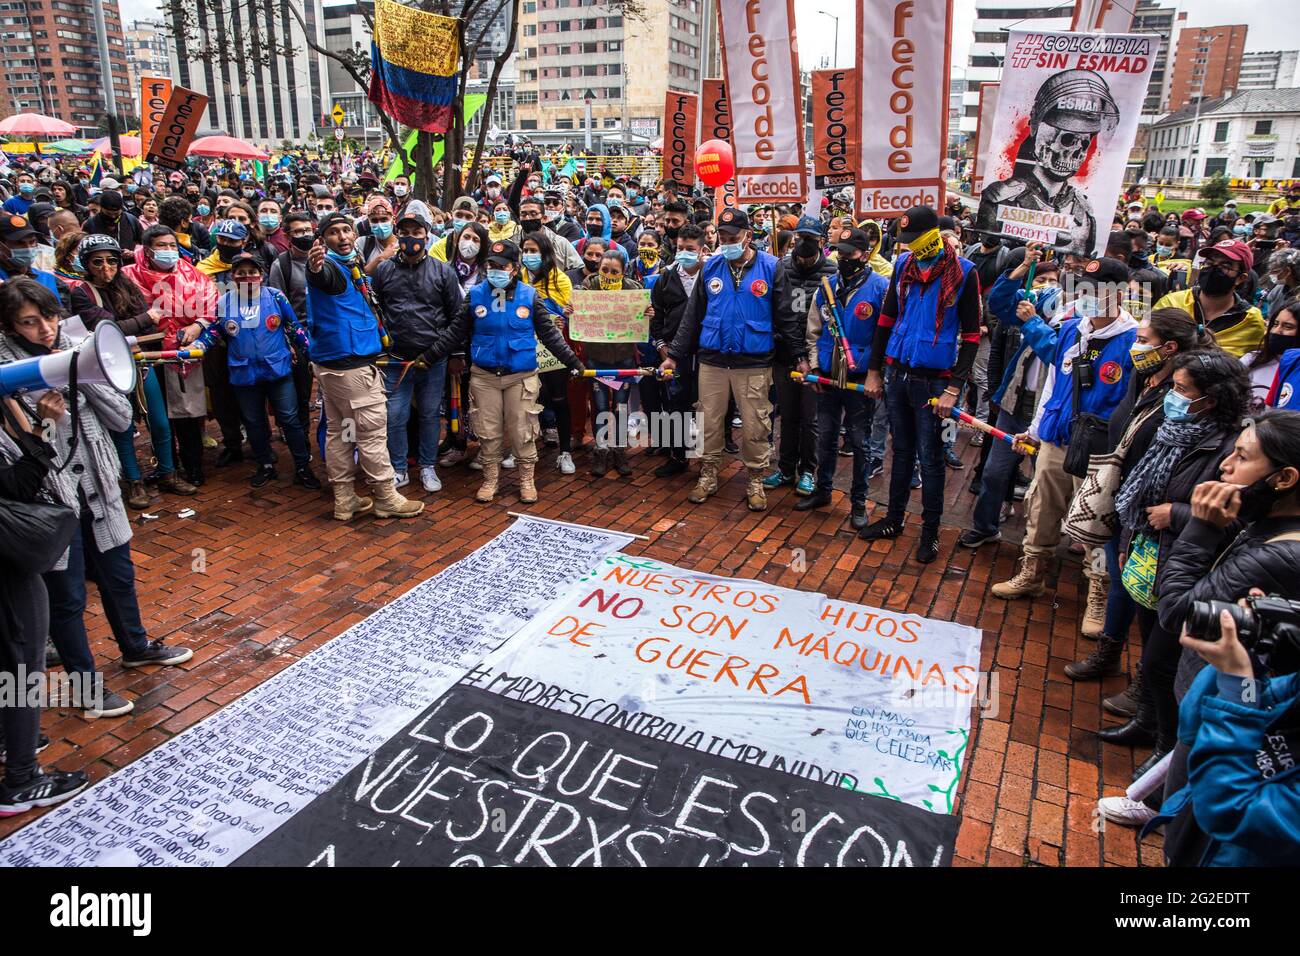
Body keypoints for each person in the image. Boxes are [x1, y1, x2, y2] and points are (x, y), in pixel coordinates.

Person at [0, 278, 193, 721]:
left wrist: (80, 378)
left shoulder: (75, 343)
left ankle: (135, 646)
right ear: (11, 326)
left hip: (100, 487)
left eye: (48, 317)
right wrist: (45, 423)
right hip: (51, 497)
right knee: (67, 599)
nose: (45, 329)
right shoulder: (5, 371)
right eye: (29, 323)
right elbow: (19, 452)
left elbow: (122, 417)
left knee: (119, 576)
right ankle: (85, 686)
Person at [1112, 410, 1300, 849]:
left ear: (1284, 478)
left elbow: (1177, 609)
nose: (1225, 466)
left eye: (1242, 457)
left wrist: (1200, 527)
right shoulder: (1268, 522)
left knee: (1194, 823)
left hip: (1228, 705)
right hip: (1216, 699)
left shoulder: (1281, 555)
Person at [1096, 350, 1249, 778]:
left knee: (1164, 661)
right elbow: (1140, 491)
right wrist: (1130, 539)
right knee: (1149, 651)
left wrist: (1177, 514)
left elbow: (1235, 513)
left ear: (1212, 399)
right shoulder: (1173, 428)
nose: (1173, 397)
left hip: (1187, 564)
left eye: (1183, 391)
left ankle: (1166, 748)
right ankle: (1147, 723)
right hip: (1151, 551)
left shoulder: (1228, 448)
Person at [992, 257, 1138, 625]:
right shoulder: (1073, 329)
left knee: (1096, 522)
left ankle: (1097, 595)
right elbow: (1054, 385)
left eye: (1097, 290)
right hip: (1058, 437)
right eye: (1083, 289)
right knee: (1041, 506)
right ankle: (1032, 573)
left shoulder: (1135, 341)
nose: (1087, 296)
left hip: (1101, 448)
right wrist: (1038, 429)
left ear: (1119, 293)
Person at [418, 239, 585, 503]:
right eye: (491, 265)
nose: (495, 270)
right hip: (484, 376)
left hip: (520, 376)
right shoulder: (475, 295)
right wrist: (429, 356)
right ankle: (490, 479)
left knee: (523, 431)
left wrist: (574, 363)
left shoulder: (529, 296)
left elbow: (551, 336)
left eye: (501, 266)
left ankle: (526, 479)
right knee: (488, 431)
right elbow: (455, 333)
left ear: (515, 268)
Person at [860, 204, 983, 563]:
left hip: (934, 383)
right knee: (901, 451)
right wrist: (874, 370)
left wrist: (954, 389)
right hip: (898, 373)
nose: (910, 247)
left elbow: (972, 336)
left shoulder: (964, 272)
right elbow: (886, 318)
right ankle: (893, 519)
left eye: (916, 241)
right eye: (906, 242)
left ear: (935, 236)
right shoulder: (903, 266)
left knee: (930, 459)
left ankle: (930, 532)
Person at [662, 207, 804, 511]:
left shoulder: (771, 267)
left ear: (748, 236)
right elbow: (692, 316)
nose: (726, 243)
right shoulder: (711, 267)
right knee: (708, 421)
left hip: (753, 362)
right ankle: (709, 473)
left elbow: (787, 317)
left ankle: (755, 477)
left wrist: (799, 356)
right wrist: (673, 355)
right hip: (712, 360)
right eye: (722, 237)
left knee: (755, 425)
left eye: (732, 237)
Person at [0, 395, 89, 816]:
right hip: (7, 564)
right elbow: (17, 484)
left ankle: (9, 738)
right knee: (23, 666)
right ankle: (21, 779)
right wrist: (45, 427)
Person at [304, 211, 424, 520]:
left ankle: (345, 498)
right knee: (370, 433)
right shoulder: (328, 267)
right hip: (351, 370)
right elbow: (321, 276)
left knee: (342, 432)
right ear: (322, 240)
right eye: (334, 233)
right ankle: (386, 496)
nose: (342, 237)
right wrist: (314, 265)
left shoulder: (349, 265)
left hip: (334, 369)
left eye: (347, 230)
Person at [69, 233, 197, 507]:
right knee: (123, 426)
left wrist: (138, 325)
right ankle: (134, 481)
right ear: (86, 264)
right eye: (98, 262)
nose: (106, 269)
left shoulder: (126, 285)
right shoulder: (82, 293)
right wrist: (143, 320)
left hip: (140, 363)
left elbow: (149, 327)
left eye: (112, 261)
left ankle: (167, 472)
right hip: (108, 369)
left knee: (160, 422)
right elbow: (107, 328)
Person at [184, 253, 321, 490]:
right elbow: (215, 332)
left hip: (278, 370)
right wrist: (198, 345)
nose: (247, 277)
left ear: (262, 275)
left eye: (252, 272)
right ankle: (265, 464)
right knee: (254, 422)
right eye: (241, 272)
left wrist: (313, 355)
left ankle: (302, 466)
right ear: (232, 276)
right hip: (244, 374)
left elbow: (294, 328)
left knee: (289, 418)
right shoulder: (225, 302)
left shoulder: (276, 297)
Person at [960, 245, 1064, 549]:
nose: (1046, 287)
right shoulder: (1037, 304)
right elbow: (998, 302)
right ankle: (985, 526)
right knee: (994, 472)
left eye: (1053, 280)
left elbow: (1057, 354)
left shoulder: (1078, 320)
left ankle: (1037, 546)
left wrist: (1033, 323)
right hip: (1015, 404)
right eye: (1041, 280)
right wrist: (1021, 270)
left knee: (1045, 484)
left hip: (1049, 413)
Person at [795, 227, 889, 529]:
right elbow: (813, 330)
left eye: (849, 253)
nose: (843, 258)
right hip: (828, 375)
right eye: (839, 252)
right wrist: (813, 365)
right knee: (826, 436)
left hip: (861, 379)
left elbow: (884, 336)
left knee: (860, 441)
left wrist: (877, 374)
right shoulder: (826, 286)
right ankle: (823, 490)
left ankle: (859, 501)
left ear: (865, 254)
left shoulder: (881, 289)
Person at [370, 206, 461, 492]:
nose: (411, 238)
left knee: (430, 413)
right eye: (405, 233)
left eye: (417, 233)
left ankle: (428, 465)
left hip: (433, 357)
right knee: (395, 415)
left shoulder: (443, 271)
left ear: (427, 235)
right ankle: (398, 467)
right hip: (395, 359)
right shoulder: (384, 270)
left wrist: (453, 353)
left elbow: (455, 315)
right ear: (398, 235)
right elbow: (377, 311)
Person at [124, 225, 219, 487]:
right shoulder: (128, 277)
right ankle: (167, 466)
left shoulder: (193, 275)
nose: (168, 251)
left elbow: (212, 305)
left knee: (187, 415)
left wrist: (198, 324)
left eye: (171, 246)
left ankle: (193, 467)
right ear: (147, 249)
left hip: (183, 354)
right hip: (145, 355)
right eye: (161, 246)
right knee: (158, 417)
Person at [767, 216, 834, 496]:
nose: (804, 245)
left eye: (811, 238)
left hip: (815, 356)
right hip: (785, 352)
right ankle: (785, 468)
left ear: (821, 241)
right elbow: (777, 310)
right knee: (788, 414)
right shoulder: (781, 266)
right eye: (800, 238)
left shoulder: (832, 271)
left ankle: (808, 470)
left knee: (811, 418)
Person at [649, 224, 706, 478]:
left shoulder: (712, 275)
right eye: (680, 248)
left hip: (706, 353)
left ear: (701, 250)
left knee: (707, 406)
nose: (684, 252)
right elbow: (656, 317)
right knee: (675, 404)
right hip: (673, 354)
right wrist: (662, 347)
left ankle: (708, 458)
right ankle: (677, 456)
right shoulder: (664, 278)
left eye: (690, 249)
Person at [521, 231, 580, 475]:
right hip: (525, 347)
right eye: (525, 250)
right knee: (525, 401)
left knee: (559, 399)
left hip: (554, 350)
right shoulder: (517, 278)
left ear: (545, 254)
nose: (528, 255)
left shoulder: (562, 281)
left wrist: (564, 317)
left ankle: (565, 452)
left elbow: (570, 317)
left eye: (534, 251)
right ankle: (522, 450)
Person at [579, 250, 642, 478]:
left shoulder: (633, 290)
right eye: (604, 270)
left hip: (623, 357)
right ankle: (601, 451)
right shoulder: (588, 288)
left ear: (623, 272)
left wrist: (647, 313)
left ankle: (619, 450)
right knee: (601, 406)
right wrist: (571, 311)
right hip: (597, 357)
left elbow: (641, 319)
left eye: (614, 272)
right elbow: (577, 312)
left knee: (621, 408)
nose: (608, 275)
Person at [1152, 239, 1265, 358]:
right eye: (1209, 263)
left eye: (1225, 266)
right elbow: (1146, 344)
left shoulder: (1251, 322)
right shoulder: (1172, 302)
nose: (1213, 269)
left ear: (1241, 278)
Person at [1243, 299, 1299, 411]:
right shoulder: (1252, 359)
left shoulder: (1295, 371)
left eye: (1288, 327)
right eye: (1275, 324)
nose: (1277, 331)